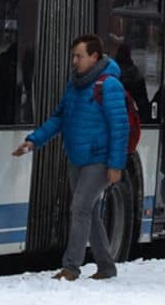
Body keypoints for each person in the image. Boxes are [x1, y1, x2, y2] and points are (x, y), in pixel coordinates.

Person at [13, 34, 129, 281]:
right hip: (77, 158)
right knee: (89, 211)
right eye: (73, 56)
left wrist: (116, 165)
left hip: (98, 159)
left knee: (79, 208)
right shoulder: (75, 84)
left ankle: (71, 267)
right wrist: (34, 141)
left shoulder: (108, 85)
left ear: (94, 56)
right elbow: (59, 117)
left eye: (79, 56)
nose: (74, 61)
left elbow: (120, 127)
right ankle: (106, 266)